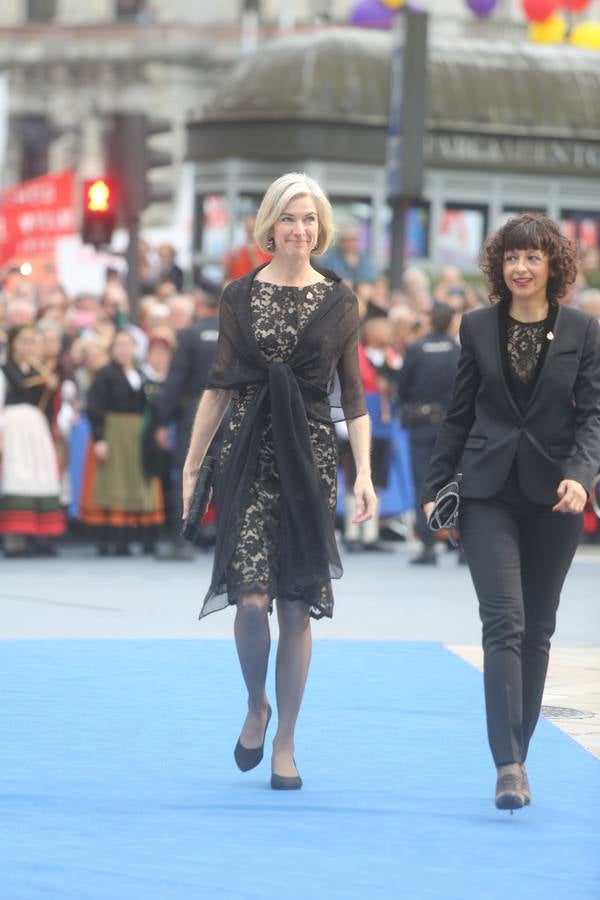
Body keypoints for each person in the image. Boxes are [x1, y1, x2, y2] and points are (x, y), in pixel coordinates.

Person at [183, 172, 376, 790]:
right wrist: (194, 465)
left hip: (311, 459)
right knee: (251, 602)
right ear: (270, 227)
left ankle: (286, 738)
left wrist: (365, 473)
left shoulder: (341, 302)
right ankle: (255, 704)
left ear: (321, 230)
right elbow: (219, 385)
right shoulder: (238, 296)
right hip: (246, 454)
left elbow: (354, 395)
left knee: (296, 608)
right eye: (289, 219)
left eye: (310, 220)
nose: (300, 230)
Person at [422, 214, 600, 811]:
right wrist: (435, 486)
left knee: (539, 628)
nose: (521, 268)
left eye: (532, 257)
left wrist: (581, 475)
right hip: (486, 491)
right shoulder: (476, 327)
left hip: (555, 494)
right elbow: (458, 413)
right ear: (499, 266)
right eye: (511, 257)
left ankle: (517, 757)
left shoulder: (582, 329)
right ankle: (508, 766)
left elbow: (594, 416)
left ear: (554, 266)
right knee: (505, 621)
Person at [83, 330, 164, 556]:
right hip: (114, 432)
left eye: (127, 345)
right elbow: (94, 408)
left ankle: (132, 539)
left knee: (135, 482)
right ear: (111, 349)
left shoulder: (141, 374)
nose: (123, 349)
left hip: (137, 434)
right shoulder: (104, 374)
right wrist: (100, 438)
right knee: (113, 483)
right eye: (118, 345)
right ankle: (110, 540)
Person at [155, 289, 220, 560]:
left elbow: (175, 380)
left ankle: (183, 542)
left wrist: (162, 419)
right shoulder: (236, 333)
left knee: (190, 472)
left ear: (198, 304)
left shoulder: (189, 335)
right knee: (228, 474)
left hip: (197, 410)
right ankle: (232, 540)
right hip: (231, 408)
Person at [397, 303, 460, 565]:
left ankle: (428, 545)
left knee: (423, 484)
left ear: (431, 321)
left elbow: (402, 387)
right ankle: (463, 546)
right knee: (457, 483)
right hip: (453, 425)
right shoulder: (458, 350)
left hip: (422, 423)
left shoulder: (416, 349)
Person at [0, 325, 66, 556]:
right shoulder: (4, 369)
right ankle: (15, 538)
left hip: (36, 427)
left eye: (31, 342)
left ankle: (39, 537)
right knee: (18, 476)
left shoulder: (38, 370)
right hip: (13, 426)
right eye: (23, 341)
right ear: (14, 343)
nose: (27, 346)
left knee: (41, 476)